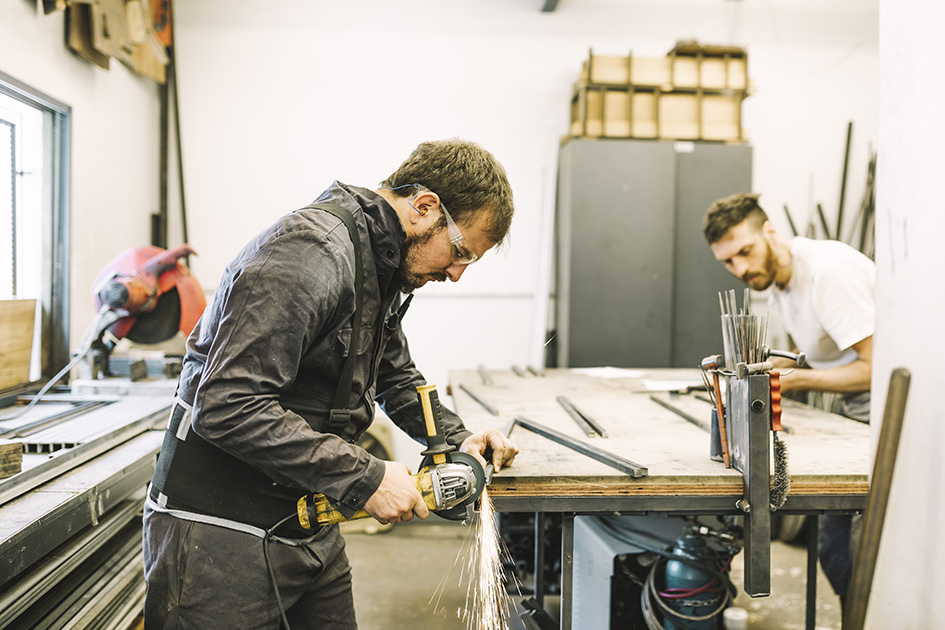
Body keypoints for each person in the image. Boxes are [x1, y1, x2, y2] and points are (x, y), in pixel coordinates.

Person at [142, 138, 520, 629]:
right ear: (425, 207)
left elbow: (394, 374)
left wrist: (455, 438)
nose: (456, 273)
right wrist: (366, 478)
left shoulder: (378, 265)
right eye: (460, 252)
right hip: (221, 535)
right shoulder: (310, 252)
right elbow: (227, 405)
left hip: (305, 523)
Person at [702, 192, 875, 608]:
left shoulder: (827, 273)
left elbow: (877, 369)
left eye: (746, 251)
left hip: (891, 421)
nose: (741, 268)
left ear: (771, 232)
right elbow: (814, 358)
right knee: (835, 548)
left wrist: (789, 383)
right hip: (857, 418)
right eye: (728, 261)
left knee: (848, 551)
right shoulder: (779, 281)